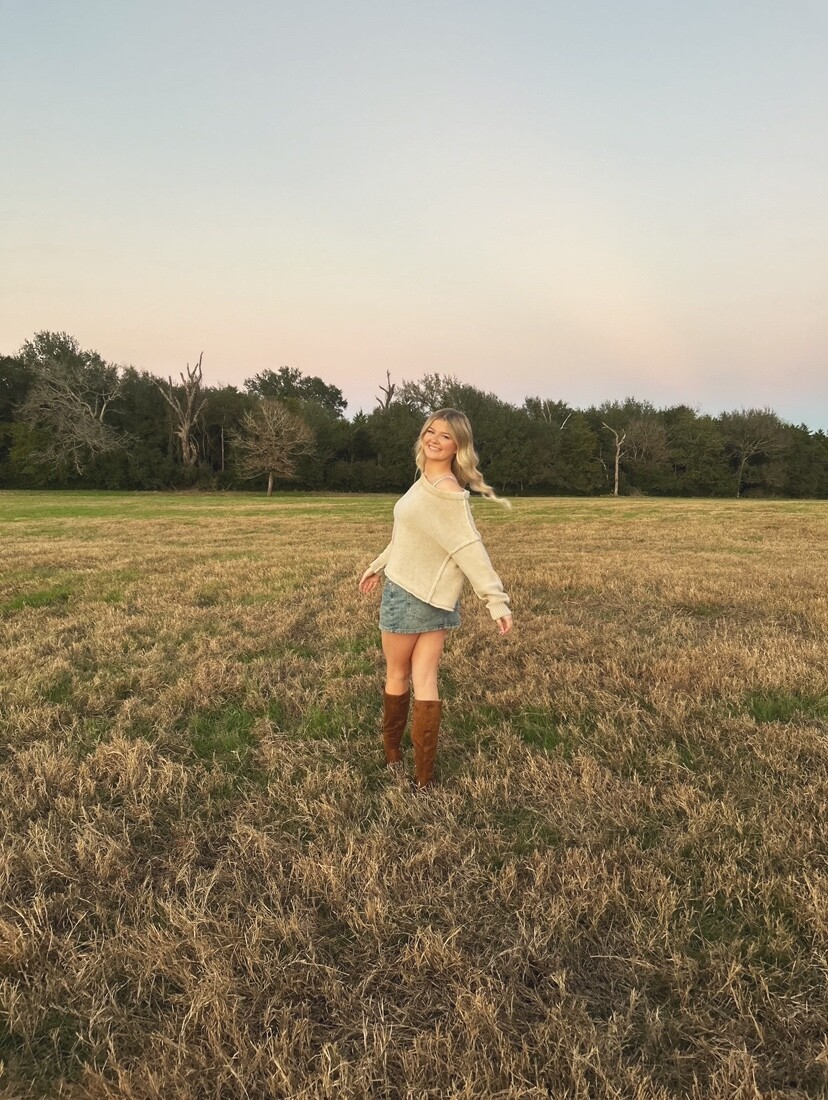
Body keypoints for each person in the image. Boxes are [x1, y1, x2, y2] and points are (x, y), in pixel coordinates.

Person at [359, 408, 513, 788]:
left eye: (445, 436)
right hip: (438, 600)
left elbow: (470, 549)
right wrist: (378, 564)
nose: (434, 439)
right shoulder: (428, 482)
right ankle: (423, 776)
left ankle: (393, 753)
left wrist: (496, 600)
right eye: (431, 431)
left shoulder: (445, 491)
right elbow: (408, 537)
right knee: (425, 679)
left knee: (398, 674)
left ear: (458, 446)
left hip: (407, 595)